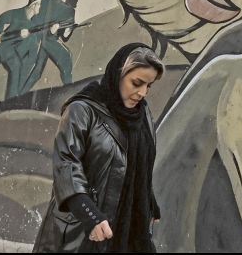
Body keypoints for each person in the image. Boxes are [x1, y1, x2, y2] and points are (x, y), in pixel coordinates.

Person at [33, 43, 164, 253]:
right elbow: (66, 165)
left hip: (128, 228)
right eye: (137, 83)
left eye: (148, 86)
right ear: (118, 74)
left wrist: (149, 202)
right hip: (84, 226)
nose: (142, 93)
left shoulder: (142, 114)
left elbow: (137, 165)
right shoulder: (82, 110)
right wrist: (90, 215)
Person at [0, 0, 42, 99]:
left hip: (10, 53)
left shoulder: (31, 25)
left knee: (17, 68)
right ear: (33, 5)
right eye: (39, 4)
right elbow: (2, 18)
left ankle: (10, 102)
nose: (40, 7)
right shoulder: (18, 13)